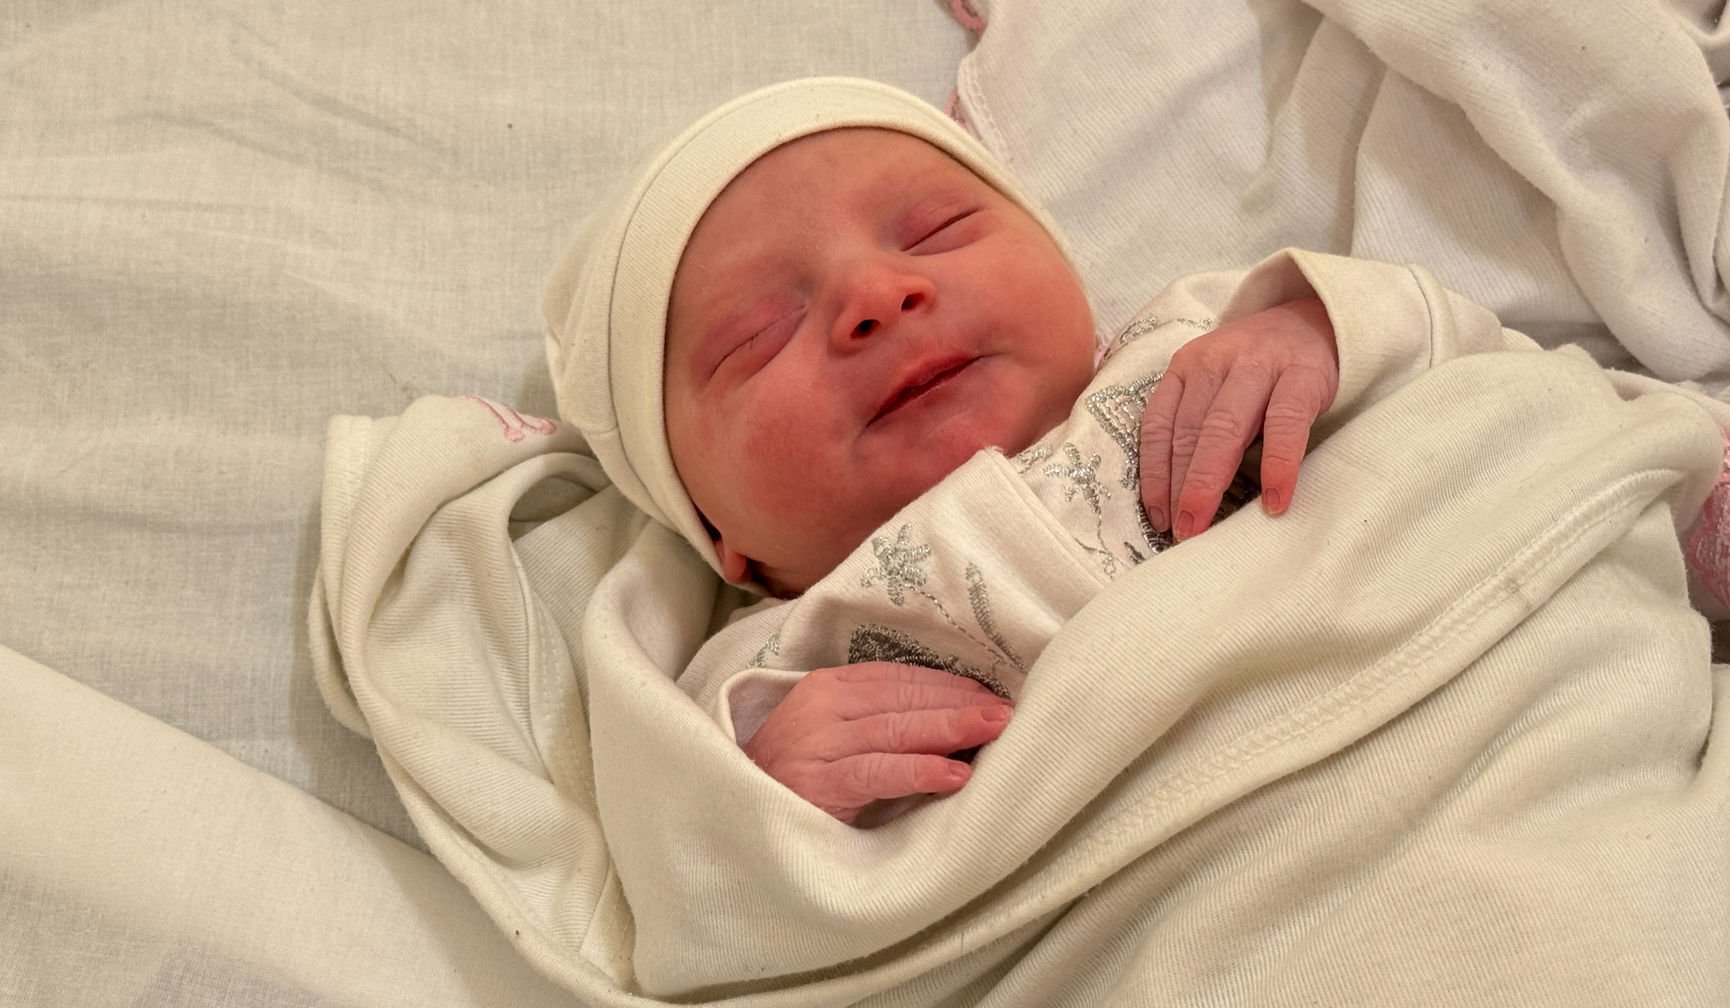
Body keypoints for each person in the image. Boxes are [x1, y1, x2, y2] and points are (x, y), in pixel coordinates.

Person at [542, 77, 1540, 823]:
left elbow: (1481, 396)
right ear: (723, 537)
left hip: (1475, 752)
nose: (878, 296)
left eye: (935, 232)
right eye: (755, 335)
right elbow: (687, 907)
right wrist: (766, 799)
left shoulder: (1202, 338)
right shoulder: (754, 680)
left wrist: (1325, 333)